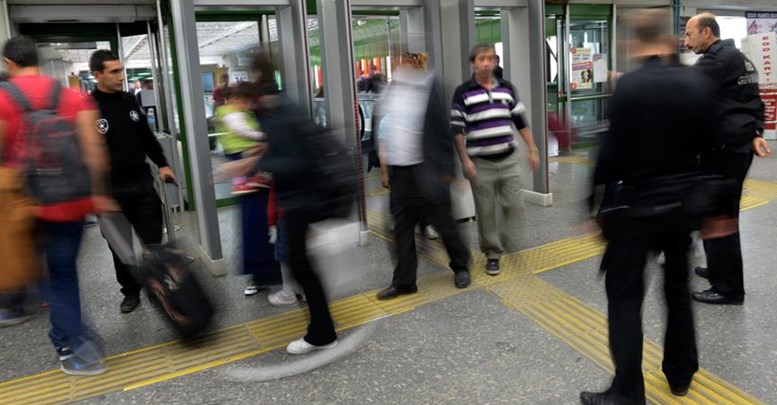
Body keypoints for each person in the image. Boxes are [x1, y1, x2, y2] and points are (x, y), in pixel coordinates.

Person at [580, 10, 717, 404]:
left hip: (636, 208)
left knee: (624, 296)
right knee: (677, 290)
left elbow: (608, 154)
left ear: (635, 42)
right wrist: (716, 209)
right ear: (670, 39)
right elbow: (713, 148)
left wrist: (591, 207)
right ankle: (680, 373)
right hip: (682, 206)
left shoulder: (631, 86)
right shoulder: (696, 83)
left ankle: (627, 392)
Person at [0, 36, 117, 375]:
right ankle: (70, 336)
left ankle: (76, 344)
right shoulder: (70, 97)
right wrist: (99, 192)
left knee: (41, 276)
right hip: (74, 201)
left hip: (28, 206)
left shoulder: (4, 99)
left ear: (9, 63)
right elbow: (95, 150)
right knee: (63, 274)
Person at [251, 50, 338, 354]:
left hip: (302, 199)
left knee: (302, 265)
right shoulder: (283, 106)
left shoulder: (280, 111)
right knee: (302, 264)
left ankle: (323, 332)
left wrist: (260, 165)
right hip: (301, 197)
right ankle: (322, 329)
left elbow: (298, 161)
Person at [683, 13, 771, 305]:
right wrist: (756, 131)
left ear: (706, 33)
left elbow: (683, 90)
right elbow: (754, 100)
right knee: (720, 213)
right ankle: (719, 269)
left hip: (722, 150)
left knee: (719, 217)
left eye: (689, 34)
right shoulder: (740, 58)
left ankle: (728, 288)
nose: (686, 40)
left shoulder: (715, 61)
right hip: (736, 146)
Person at [375, 51, 471, 300]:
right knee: (401, 229)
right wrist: (386, 170)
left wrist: (449, 171)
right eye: (399, 66)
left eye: (407, 66)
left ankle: (461, 266)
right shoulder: (391, 94)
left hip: (427, 171)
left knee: (444, 224)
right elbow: (385, 132)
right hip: (402, 175)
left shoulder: (430, 91)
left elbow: (443, 131)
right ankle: (405, 281)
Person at [89, 50, 176, 313]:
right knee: (121, 247)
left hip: (140, 183)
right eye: (113, 71)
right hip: (110, 190)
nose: (120, 76)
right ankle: (130, 291)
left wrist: (162, 164)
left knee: (152, 240)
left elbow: (147, 138)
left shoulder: (129, 101)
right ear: (97, 75)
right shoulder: (88, 108)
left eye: (121, 70)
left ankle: (160, 284)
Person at [451, 43, 540, 276]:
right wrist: (465, 160)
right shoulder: (463, 92)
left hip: (508, 158)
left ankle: (502, 236)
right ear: (473, 63)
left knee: (514, 205)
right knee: (486, 211)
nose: (487, 63)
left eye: (491, 59)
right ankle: (492, 253)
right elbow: (457, 131)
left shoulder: (508, 88)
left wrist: (532, 149)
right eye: (482, 59)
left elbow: (520, 121)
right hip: (480, 163)